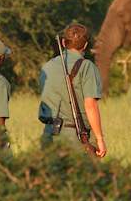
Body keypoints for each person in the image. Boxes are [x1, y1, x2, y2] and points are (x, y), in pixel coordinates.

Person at [38, 23, 107, 158]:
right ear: (86, 45)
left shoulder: (47, 67)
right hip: (75, 136)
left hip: (48, 134)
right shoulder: (87, 67)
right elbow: (90, 105)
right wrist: (99, 138)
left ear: (63, 42)